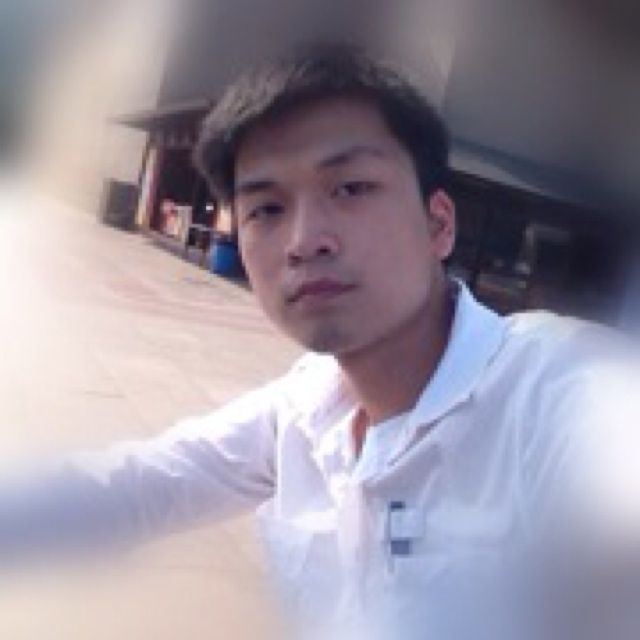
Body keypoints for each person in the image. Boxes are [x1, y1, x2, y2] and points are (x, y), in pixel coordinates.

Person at [2, 43, 640, 640]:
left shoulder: (562, 392)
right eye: (267, 209)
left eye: (351, 188)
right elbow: (142, 484)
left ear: (438, 225)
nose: (305, 240)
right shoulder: (308, 409)